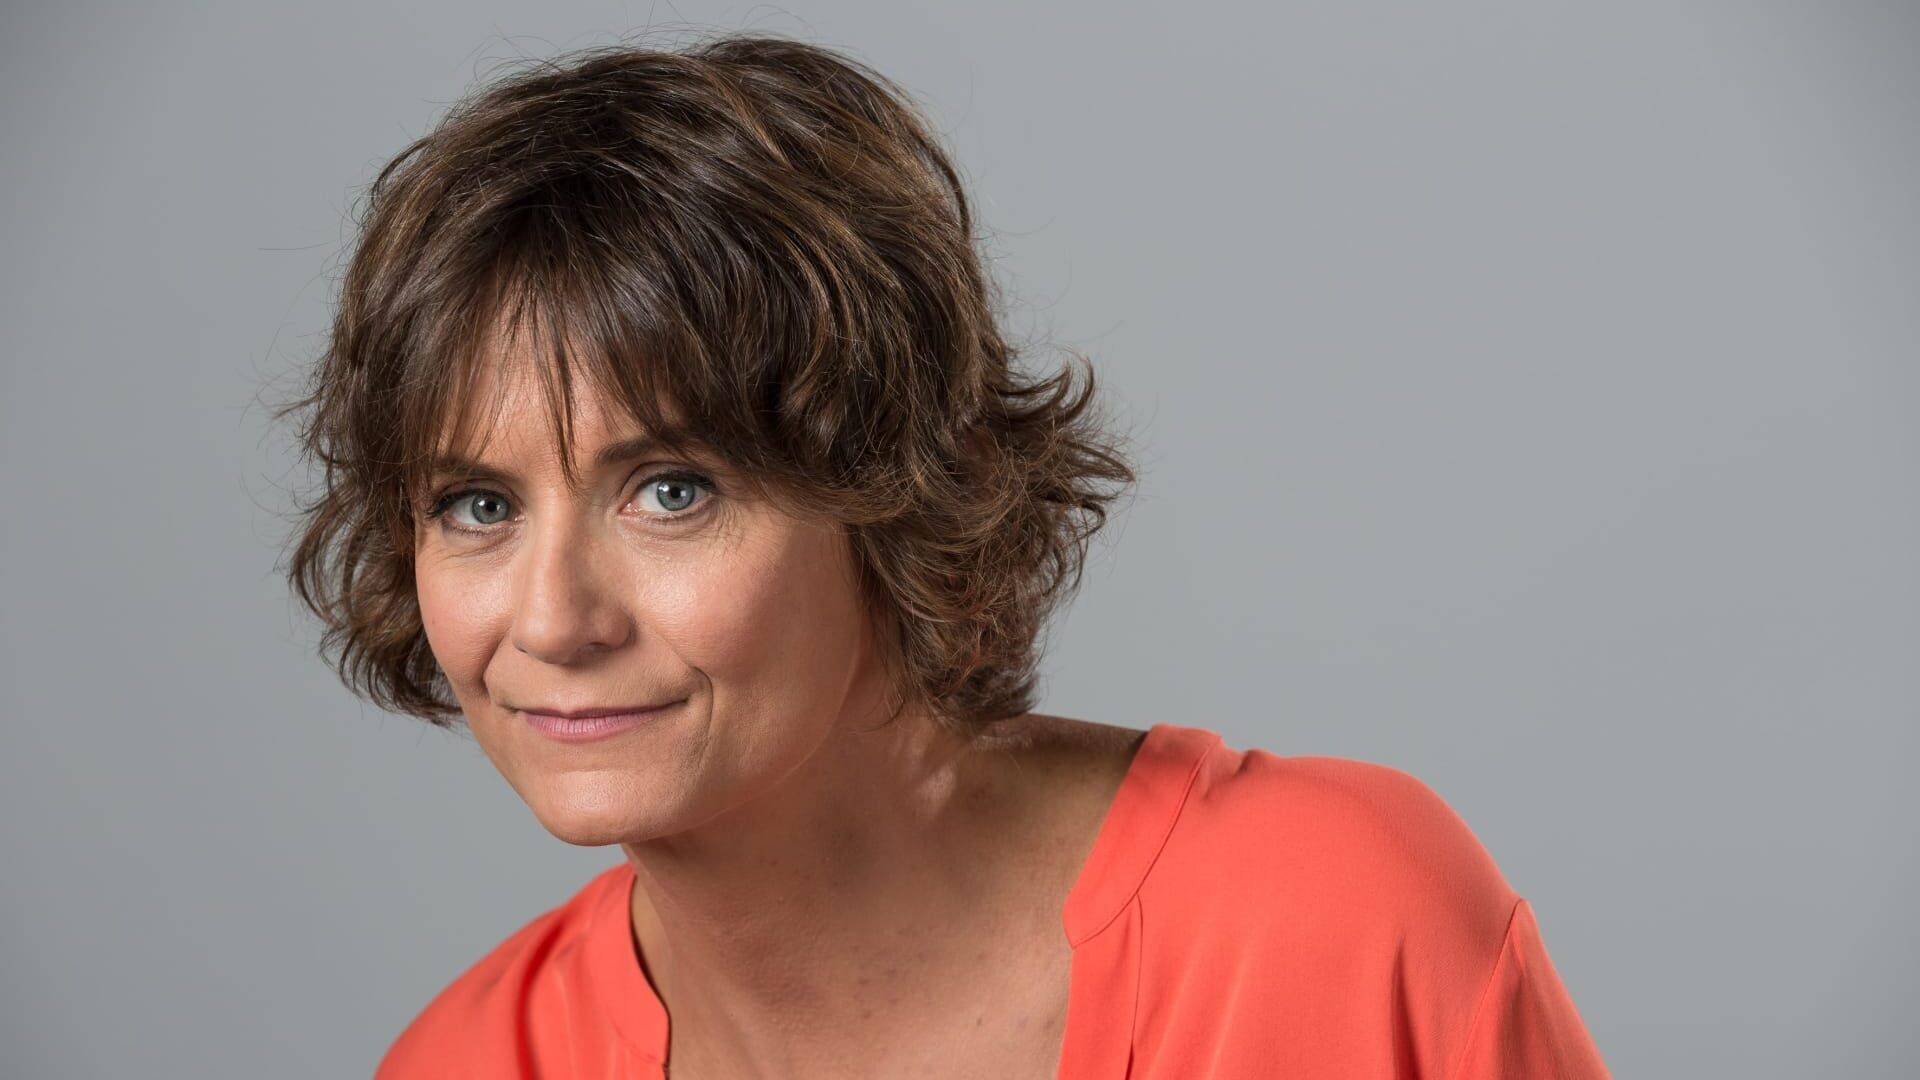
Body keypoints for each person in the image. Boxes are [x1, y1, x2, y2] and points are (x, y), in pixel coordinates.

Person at [278, 30, 1613, 1079]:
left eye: (672, 490)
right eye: (477, 506)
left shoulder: (1339, 928)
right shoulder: (468, 1062)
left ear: (898, 489)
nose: (553, 619)